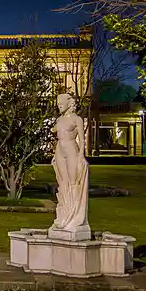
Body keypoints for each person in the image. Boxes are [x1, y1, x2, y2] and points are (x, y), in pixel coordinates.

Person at [50, 93, 90, 239]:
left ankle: (74, 217)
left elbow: (82, 138)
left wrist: (81, 155)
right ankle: (63, 216)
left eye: (60, 103)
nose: (58, 106)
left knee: (74, 183)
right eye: (57, 104)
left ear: (69, 103)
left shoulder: (77, 119)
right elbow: (55, 131)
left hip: (72, 150)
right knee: (63, 183)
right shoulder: (59, 119)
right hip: (59, 151)